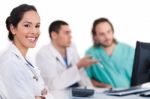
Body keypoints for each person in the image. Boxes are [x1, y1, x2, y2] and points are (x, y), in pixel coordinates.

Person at [0, 4, 53, 99]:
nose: (34, 31)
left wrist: (41, 96)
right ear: (13, 29)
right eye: (27, 25)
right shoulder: (10, 63)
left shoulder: (24, 59)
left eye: (37, 26)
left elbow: (44, 91)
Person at [36, 20, 97, 98]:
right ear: (54, 35)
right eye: (66, 33)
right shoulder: (44, 54)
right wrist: (78, 66)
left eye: (70, 33)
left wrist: (92, 91)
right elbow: (53, 85)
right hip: (59, 95)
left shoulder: (72, 47)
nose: (70, 36)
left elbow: (82, 74)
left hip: (78, 92)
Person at [85, 17, 135, 88]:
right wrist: (103, 86)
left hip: (131, 94)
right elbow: (86, 79)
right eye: (102, 34)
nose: (107, 37)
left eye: (109, 32)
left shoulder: (129, 50)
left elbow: (140, 74)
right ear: (95, 36)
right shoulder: (91, 53)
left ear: (112, 31)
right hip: (106, 95)